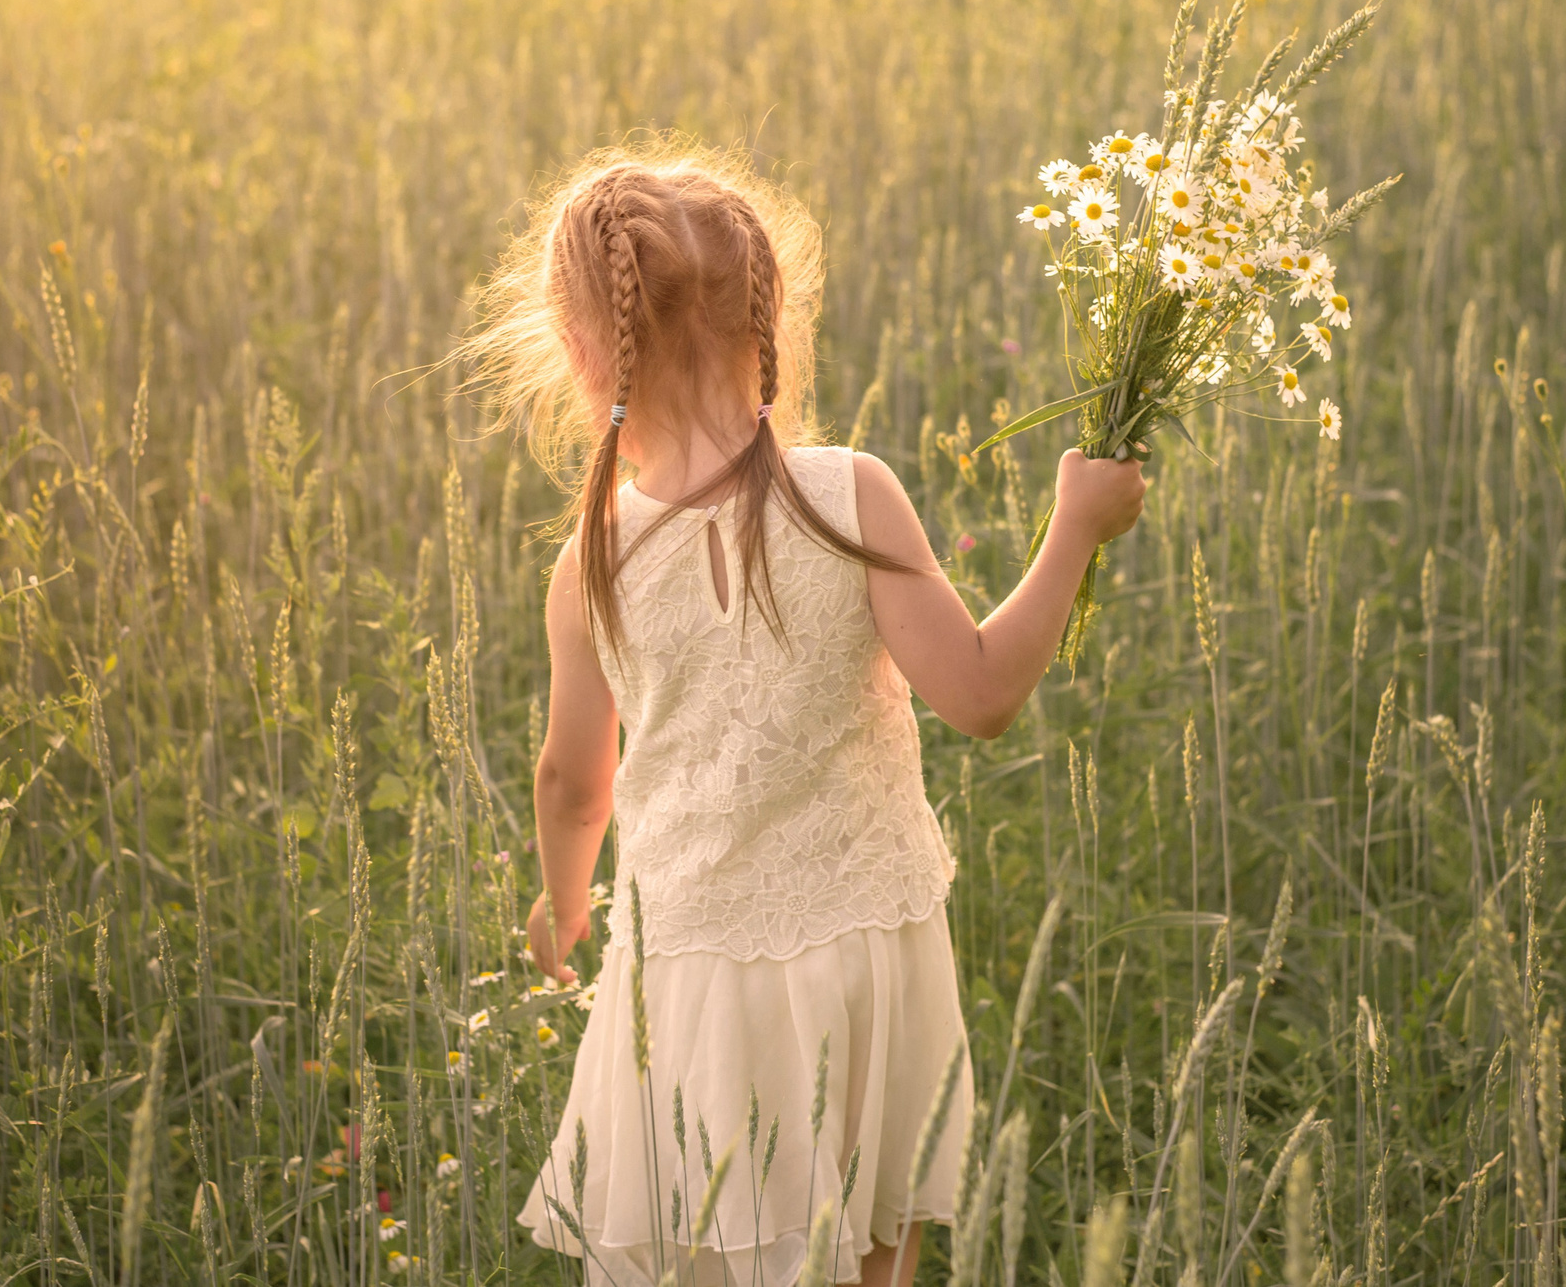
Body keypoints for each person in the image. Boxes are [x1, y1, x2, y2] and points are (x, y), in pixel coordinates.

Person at [467, 146, 1146, 1287]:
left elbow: (571, 783)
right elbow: (981, 692)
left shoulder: (590, 562)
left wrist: (566, 900)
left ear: (585, 355)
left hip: (686, 980)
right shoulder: (846, 493)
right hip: (861, 956)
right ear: (767, 319)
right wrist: (1072, 527)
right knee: (870, 1247)